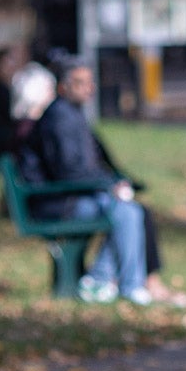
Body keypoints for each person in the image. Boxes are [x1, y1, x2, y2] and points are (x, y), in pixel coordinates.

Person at [11, 62, 151, 305]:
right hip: (56, 202)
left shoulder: (70, 114)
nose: (89, 88)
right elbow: (68, 171)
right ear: (64, 87)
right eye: (81, 83)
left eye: (90, 82)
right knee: (126, 213)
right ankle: (122, 284)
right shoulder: (59, 118)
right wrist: (109, 185)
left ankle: (102, 278)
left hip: (69, 196)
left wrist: (113, 182)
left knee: (129, 211)